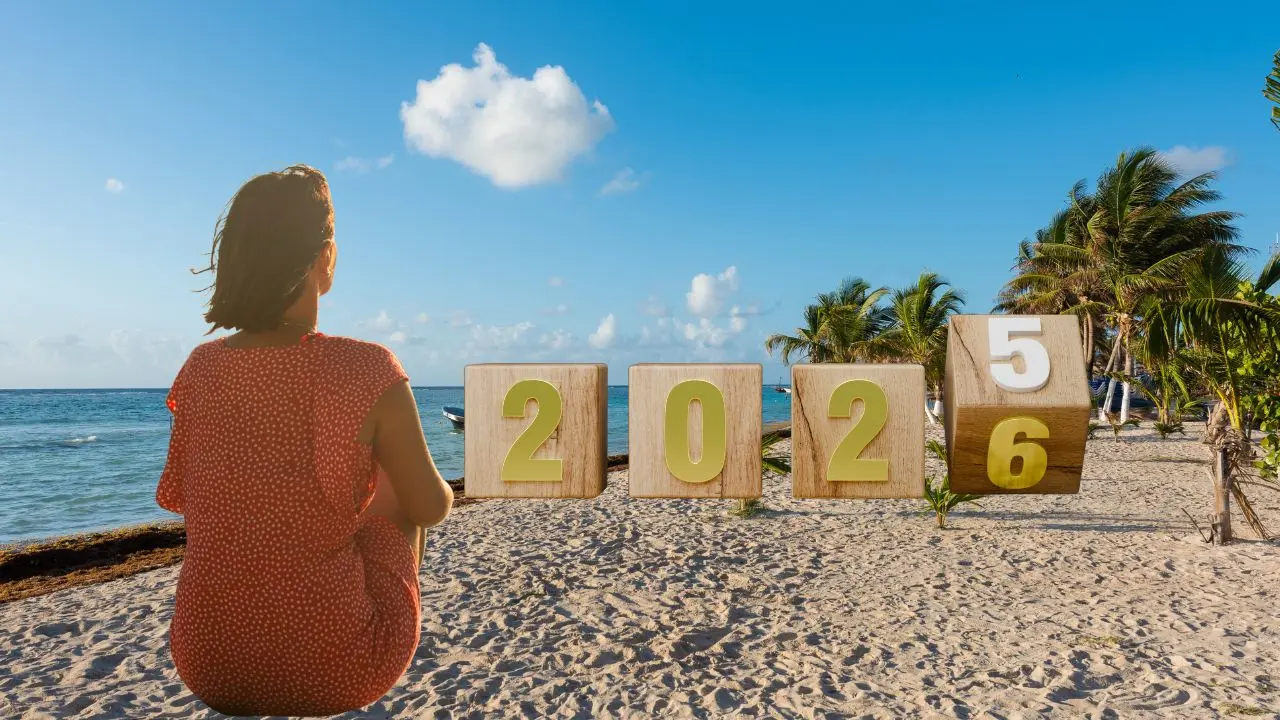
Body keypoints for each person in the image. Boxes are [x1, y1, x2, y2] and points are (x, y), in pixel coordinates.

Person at [157, 164, 453, 716]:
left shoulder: (198, 368)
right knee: (398, 495)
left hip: (207, 662)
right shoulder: (366, 368)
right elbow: (429, 507)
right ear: (327, 258)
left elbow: (192, 501)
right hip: (341, 668)